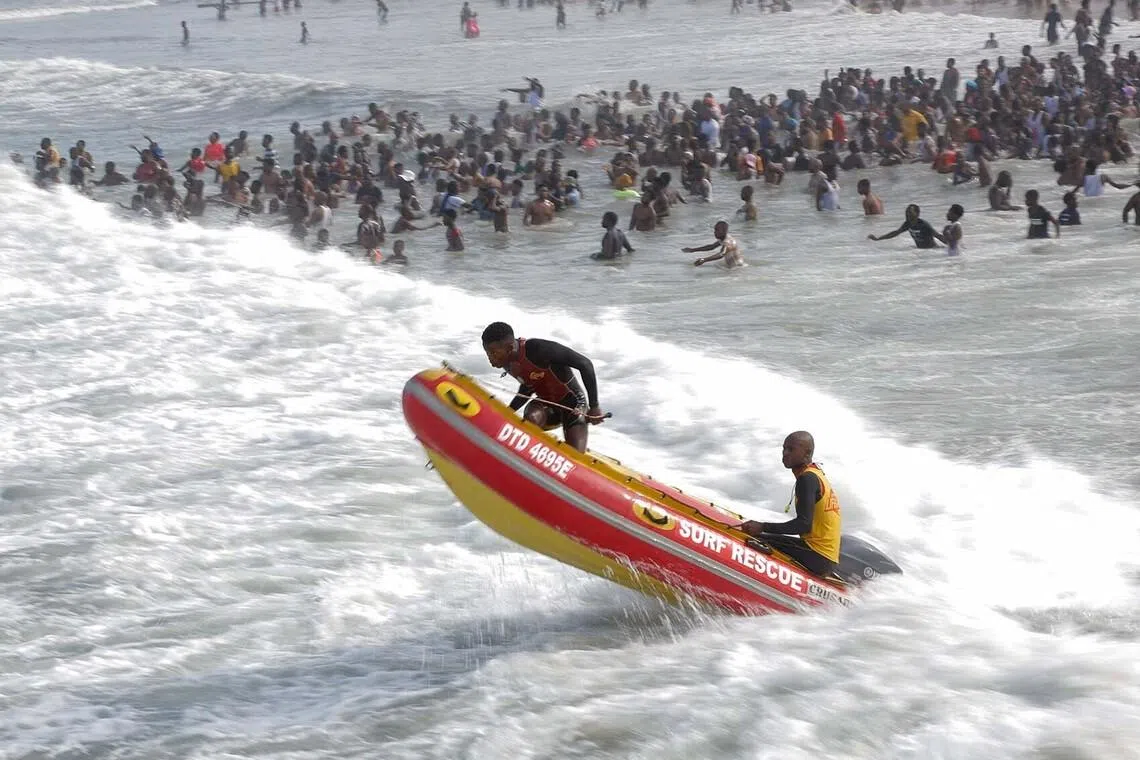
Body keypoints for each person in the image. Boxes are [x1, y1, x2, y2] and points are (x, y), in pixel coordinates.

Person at [481, 322, 605, 453]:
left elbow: (585, 364)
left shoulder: (538, 349)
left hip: (574, 406)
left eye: (493, 353)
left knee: (575, 456)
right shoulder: (506, 361)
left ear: (510, 347)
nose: (490, 358)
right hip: (546, 407)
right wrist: (507, 412)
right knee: (532, 417)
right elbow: (528, 387)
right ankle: (525, 456)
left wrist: (594, 406)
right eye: (488, 353)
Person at [740, 431, 841, 577]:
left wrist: (762, 526)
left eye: (791, 449)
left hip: (818, 556)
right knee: (766, 537)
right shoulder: (815, 474)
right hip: (824, 557)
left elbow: (803, 525)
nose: (785, 453)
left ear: (807, 454)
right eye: (784, 448)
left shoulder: (807, 479)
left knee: (757, 539)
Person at [867, 203, 941, 248]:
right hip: (921, 251)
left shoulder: (924, 225)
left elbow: (938, 236)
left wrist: (951, 245)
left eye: (910, 212)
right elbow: (896, 233)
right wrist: (878, 238)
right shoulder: (907, 224)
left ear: (917, 214)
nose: (908, 214)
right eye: (907, 212)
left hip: (931, 250)